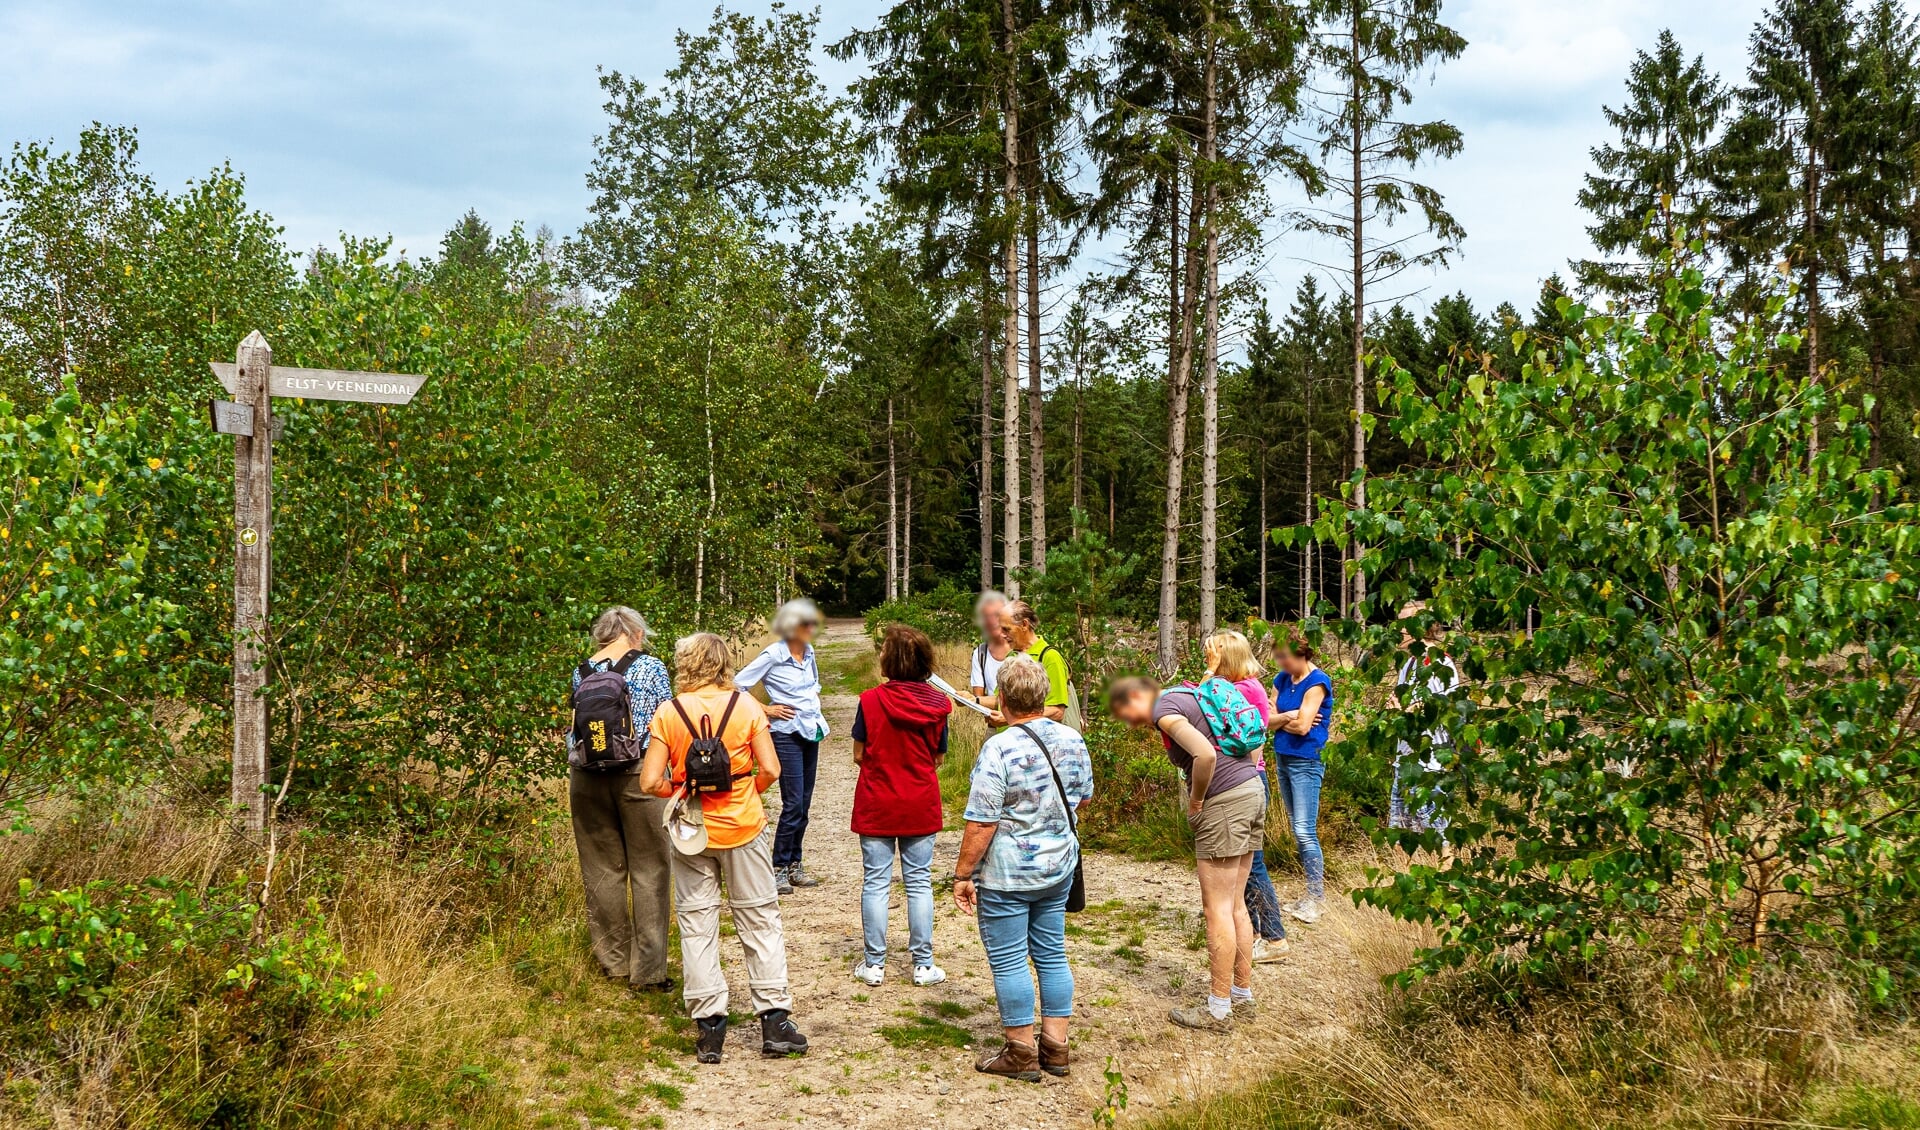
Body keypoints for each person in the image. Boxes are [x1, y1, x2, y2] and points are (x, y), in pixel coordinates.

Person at [641, 633, 808, 1065]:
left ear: (686, 664)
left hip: (691, 831)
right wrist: (745, 791)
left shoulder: (669, 712)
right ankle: (774, 1022)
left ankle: (709, 1028)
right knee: (759, 919)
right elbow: (770, 768)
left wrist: (679, 792)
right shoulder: (747, 707)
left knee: (697, 924)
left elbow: (649, 781)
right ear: (723, 663)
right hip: (743, 826)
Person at [954, 656, 1092, 1081]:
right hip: (1058, 866)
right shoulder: (1072, 739)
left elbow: (982, 821)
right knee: (1051, 953)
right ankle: (1056, 1046)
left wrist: (962, 875)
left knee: (1010, 959)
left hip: (1008, 873)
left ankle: (1019, 1051)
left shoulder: (999, 747)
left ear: (1005, 699)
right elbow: (1083, 798)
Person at [1109, 674, 1267, 1032]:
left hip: (1224, 804)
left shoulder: (1165, 707)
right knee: (1237, 904)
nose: (1132, 723)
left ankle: (1218, 1010)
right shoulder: (1190, 693)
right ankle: (1241, 997)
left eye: (1127, 712)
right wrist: (1242, 776)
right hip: (1251, 791)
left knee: (1217, 910)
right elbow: (1253, 739)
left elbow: (1205, 754)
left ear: (1137, 696)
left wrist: (1197, 801)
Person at [568, 606, 676, 991]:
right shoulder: (650, 666)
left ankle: (613, 961)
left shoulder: (581, 670)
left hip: (585, 777)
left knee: (601, 869)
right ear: (635, 633)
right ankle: (648, 972)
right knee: (650, 869)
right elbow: (666, 721)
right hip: (638, 775)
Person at [851, 624, 953, 988]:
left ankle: (874, 964)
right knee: (919, 882)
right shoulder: (939, 705)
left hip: (877, 800)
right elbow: (939, 756)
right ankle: (924, 965)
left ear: (891, 660)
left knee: (876, 882)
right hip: (920, 799)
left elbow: (859, 754)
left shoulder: (869, 701)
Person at [1203, 630, 1289, 962]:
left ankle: (1273, 936)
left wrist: (1210, 674)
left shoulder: (1240, 689)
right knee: (1248, 863)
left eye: (1212, 655)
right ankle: (1251, 929)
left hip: (1244, 781)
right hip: (1249, 780)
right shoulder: (1246, 686)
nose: (1207, 661)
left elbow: (1203, 705)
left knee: (1251, 865)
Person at [736, 598, 830, 895]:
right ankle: (776, 868)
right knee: (792, 804)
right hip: (785, 733)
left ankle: (794, 865)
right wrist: (766, 710)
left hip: (809, 731)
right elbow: (737, 685)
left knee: (804, 803)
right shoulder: (773, 654)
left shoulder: (810, 652)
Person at [1269, 636, 1334, 923]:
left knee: (1304, 829)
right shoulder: (1281, 679)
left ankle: (1316, 897)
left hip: (1306, 760)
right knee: (1297, 828)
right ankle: (1310, 895)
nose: (1282, 663)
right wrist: (1288, 717)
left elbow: (1305, 726)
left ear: (1301, 655)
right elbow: (1264, 718)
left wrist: (1282, 719)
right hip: (1282, 756)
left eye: (1286, 657)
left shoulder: (1317, 682)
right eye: (1278, 657)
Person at [1390, 603, 1458, 841]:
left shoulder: (1437, 663)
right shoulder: (1408, 664)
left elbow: (1439, 708)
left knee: (1437, 834)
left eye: (1403, 625)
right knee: (1403, 834)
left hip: (1430, 766)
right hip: (1406, 762)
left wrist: (1403, 709)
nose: (1398, 630)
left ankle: (1446, 876)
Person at [989, 600, 1072, 727]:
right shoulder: (1012, 656)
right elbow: (999, 700)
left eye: (1006, 629)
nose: (1002, 634)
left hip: (1033, 741)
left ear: (1024, 624)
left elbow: (1057, 711)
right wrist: (973, 700)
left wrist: (1008, 719)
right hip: (1009, 739)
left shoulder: (1050, 657)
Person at [968, 589, 1013, 710]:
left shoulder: (1023, 649)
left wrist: (976, 700)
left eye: (997, 615)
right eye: (987, 617)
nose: (993, 621)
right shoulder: (980, 653)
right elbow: (979, 698)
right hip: (995, 723)